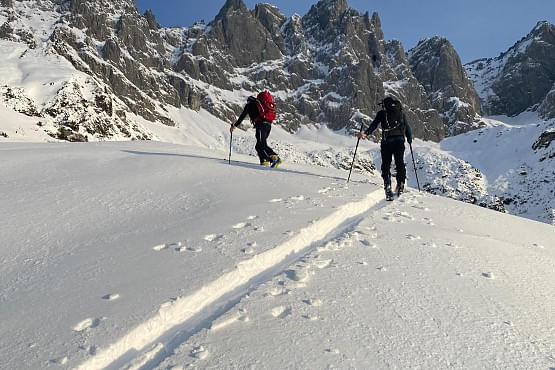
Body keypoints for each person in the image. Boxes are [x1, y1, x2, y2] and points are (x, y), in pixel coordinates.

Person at [358, 96, 413, 199]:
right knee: (399, 162)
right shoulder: (401, 113)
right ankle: (400, 184)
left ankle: (387, 185)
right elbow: (407, 127)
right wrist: (409, 139)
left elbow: (374, 125)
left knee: (386, 164)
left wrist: (365, 133)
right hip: (400, 141)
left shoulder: (382, 114)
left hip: (387, 141)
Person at [230, 92, 281, 168]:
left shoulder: (250, 105)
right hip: (268, 125)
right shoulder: (260, 105)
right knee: (258, 146)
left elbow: (242, 116)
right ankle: (264, 160)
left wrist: (234, 126)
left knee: (262, 144)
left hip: (261, 125)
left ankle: (276, 158)